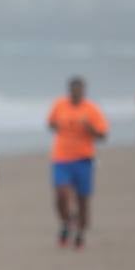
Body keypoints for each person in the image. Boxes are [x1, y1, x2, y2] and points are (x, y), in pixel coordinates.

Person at [47, 76, 108, 248]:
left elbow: (103, 135)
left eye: (79, 90)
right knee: (61, 195)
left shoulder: (92, 110)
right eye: (73, 90)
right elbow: (51, 123)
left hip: (83, 160)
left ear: (84, 91)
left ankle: (81, 233)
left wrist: (89, 128)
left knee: (82, 200)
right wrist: (59, 126)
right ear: (69, 91)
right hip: (61, 158)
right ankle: (66, 222)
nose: (76, 93)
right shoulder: (59, 105)